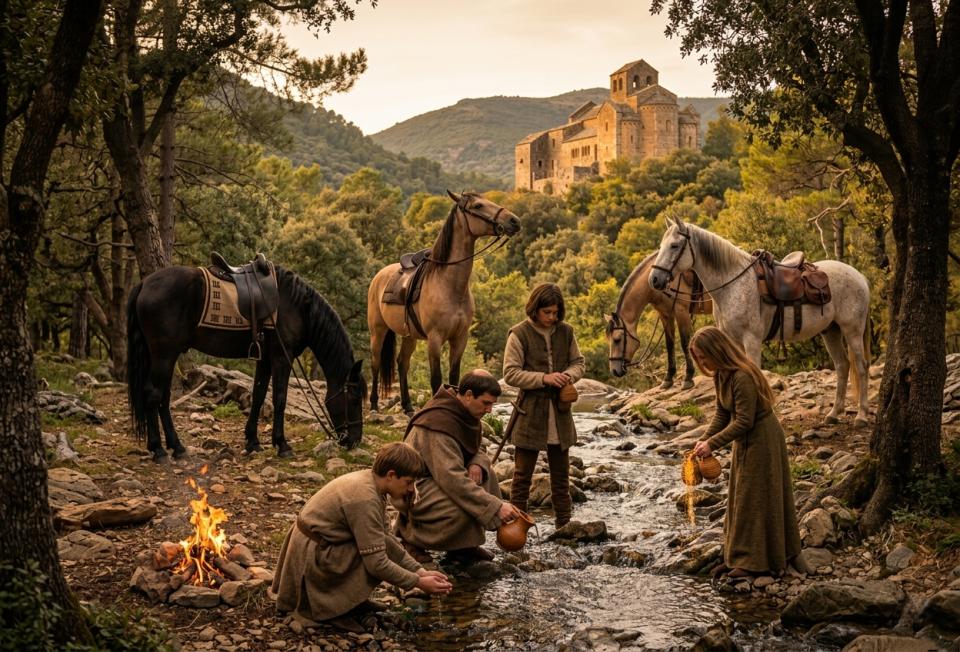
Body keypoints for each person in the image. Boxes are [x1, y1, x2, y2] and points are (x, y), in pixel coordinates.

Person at [272, 442, 452, 632]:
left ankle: (348, 603)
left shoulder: (373, 484)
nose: (411, 489)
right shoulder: (364, 499)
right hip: (315, 554)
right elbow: (377, 563)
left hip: (325, 543)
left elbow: (386, 539)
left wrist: (419, 571)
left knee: (374, 545)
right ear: (391, 475)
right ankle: (330, 609)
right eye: (408, 482)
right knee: (370, 554)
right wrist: (418, 583)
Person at [689, 326, 801, 578]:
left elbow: (744, 421)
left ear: (717, 351)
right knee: (740, 499)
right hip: (745, 441)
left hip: (763, 439)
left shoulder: (741, 376)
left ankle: (757, 562)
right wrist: (703, 440)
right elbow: (722, 414)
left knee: (757, 499)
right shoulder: (721, 375)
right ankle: (739, 555)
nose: (702, 363)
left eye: (703, 357)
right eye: (698, 359)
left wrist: (713, 445)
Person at [395, 369, 522, 564]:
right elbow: (452, 479)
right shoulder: (438, 423)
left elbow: (476, 449)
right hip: (413, 492)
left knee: (484, 475)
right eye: (486, 403)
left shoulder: (465, 412)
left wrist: (476, 463)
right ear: (469, 395)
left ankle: (463, 547)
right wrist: (496, 506)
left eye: (492, 405)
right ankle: (409, 540)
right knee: (466, 504)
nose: (489, 410)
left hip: (437, 481)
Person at [502, 283, 585, 528]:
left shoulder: (566, 332)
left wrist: (568, 376)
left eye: (556, 312)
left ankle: (564, 526)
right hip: (529, 413)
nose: (552, 317)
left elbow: (578, 363)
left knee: (561, 478)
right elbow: (510, 373)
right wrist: (543, 378)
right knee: (521, 478)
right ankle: (516, 529)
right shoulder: (518, 333)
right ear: (535, 309)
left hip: (560, 414)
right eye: (547, 312)